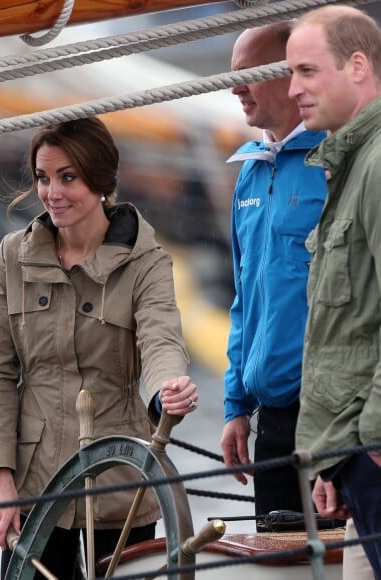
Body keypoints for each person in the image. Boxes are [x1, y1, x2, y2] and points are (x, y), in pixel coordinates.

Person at [0, 116, 199, 579]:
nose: (52, 192)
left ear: (101, 181)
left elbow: (161, 339)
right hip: (35, 488)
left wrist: (168, 389)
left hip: (123, 482)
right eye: (42, 178)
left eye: (67, 177)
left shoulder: (146, 261)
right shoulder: (10, 258)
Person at [219, 20, 328, 527]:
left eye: (249, 73)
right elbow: (246, 300)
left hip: (331, 409)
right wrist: (236, 405)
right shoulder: (250, 172)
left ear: (293, 77)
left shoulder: (338, 162)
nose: (234, 87)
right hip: (275, 418)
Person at [286, 5, 381, 575]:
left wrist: (372, 435)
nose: (292, 88)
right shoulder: (352, 163)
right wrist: (331, 458)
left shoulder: (376, 164)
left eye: (306, 71)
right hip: (355, 447)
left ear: (358, 66)